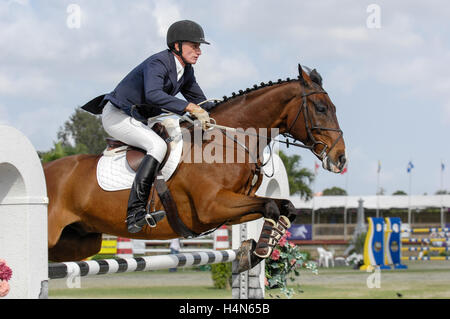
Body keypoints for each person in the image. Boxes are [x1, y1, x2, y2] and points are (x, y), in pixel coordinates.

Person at [101, 20, 214, 233]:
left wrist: (227, 109)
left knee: (180, 135)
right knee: (158, 147)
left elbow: (201, 101)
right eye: (195, 46)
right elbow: (153, 93)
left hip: (141, 117)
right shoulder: (158, 63)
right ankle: (135, 213)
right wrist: (189, 107)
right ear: (177, 45)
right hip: (118, 115)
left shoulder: (185, 70)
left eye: (199, 47)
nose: (199, 51)